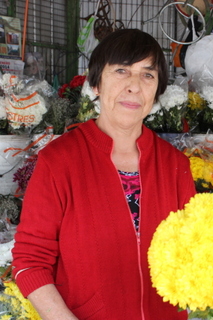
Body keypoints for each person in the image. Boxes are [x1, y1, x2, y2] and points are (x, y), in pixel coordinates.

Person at [12, 29, 196, 320]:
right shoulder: (59, 161)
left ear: (158, 89)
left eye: (148, 75)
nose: (134, 86)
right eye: (121, 71)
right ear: (96, 83)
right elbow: (30, 262)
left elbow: (195, 249)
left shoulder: (175, 165)